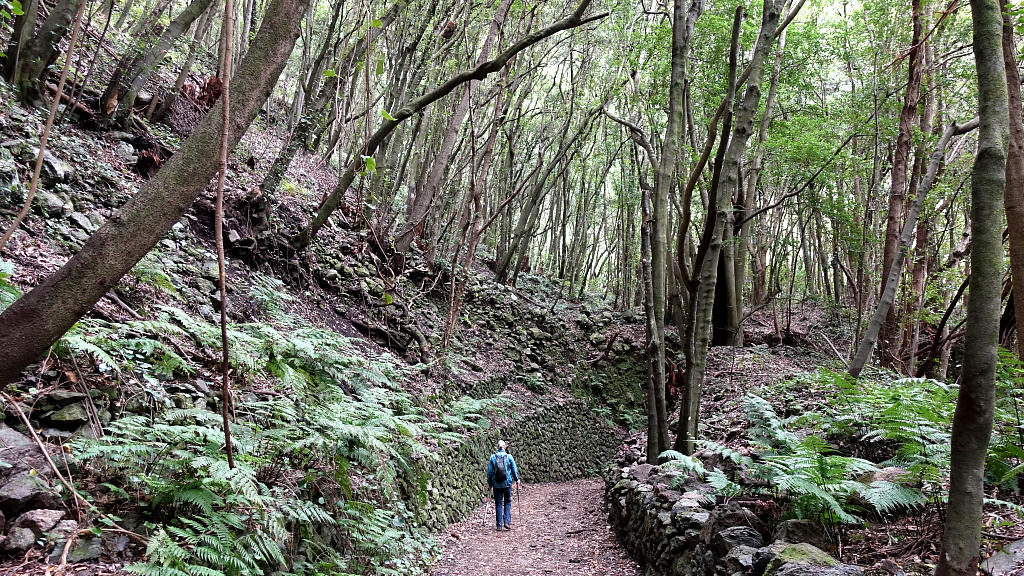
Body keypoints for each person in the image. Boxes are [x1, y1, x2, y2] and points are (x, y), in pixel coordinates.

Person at [486, 440, 520, 531]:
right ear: (504, 447)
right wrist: (517, 479)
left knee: (498, 503)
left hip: (496, 485)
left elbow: (489, 472)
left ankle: (499, 525)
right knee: (507, 502)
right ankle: (507, 522)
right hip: (507, 483)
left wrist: (490, 484)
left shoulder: (493, 457)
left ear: (498, 447)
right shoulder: (509, 457)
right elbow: (513, 469)